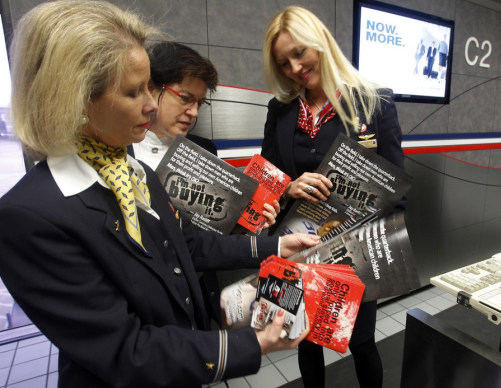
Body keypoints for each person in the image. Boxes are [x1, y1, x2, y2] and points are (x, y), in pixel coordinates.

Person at [0, 1, 319, 386]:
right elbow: (125, 349)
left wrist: (274, 249)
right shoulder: (29, 217)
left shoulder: (132, 171)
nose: (152, 105)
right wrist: (252, 344)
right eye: (135, 92)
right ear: (76, 100)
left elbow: (188, 246)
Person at [261, 6, 406, 387]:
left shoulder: (375, 103)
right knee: (307, 339)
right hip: (301, 244)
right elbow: (266, 181)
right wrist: (288, 187)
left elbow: (396, 186)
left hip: (354, 251)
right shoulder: (281, 111)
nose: (294, 67)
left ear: (320, 42)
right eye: (284, 62)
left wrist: (383, 250)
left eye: (299, 53)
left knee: (361, 342)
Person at [132, 41, 280, 326]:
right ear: (152, 88)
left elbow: (215, 236)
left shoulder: (204, 151)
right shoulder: (120, 155)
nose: (194, 112)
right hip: (147, 307)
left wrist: (251, 223)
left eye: (200, 103)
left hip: (198, 295)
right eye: (185, 98)